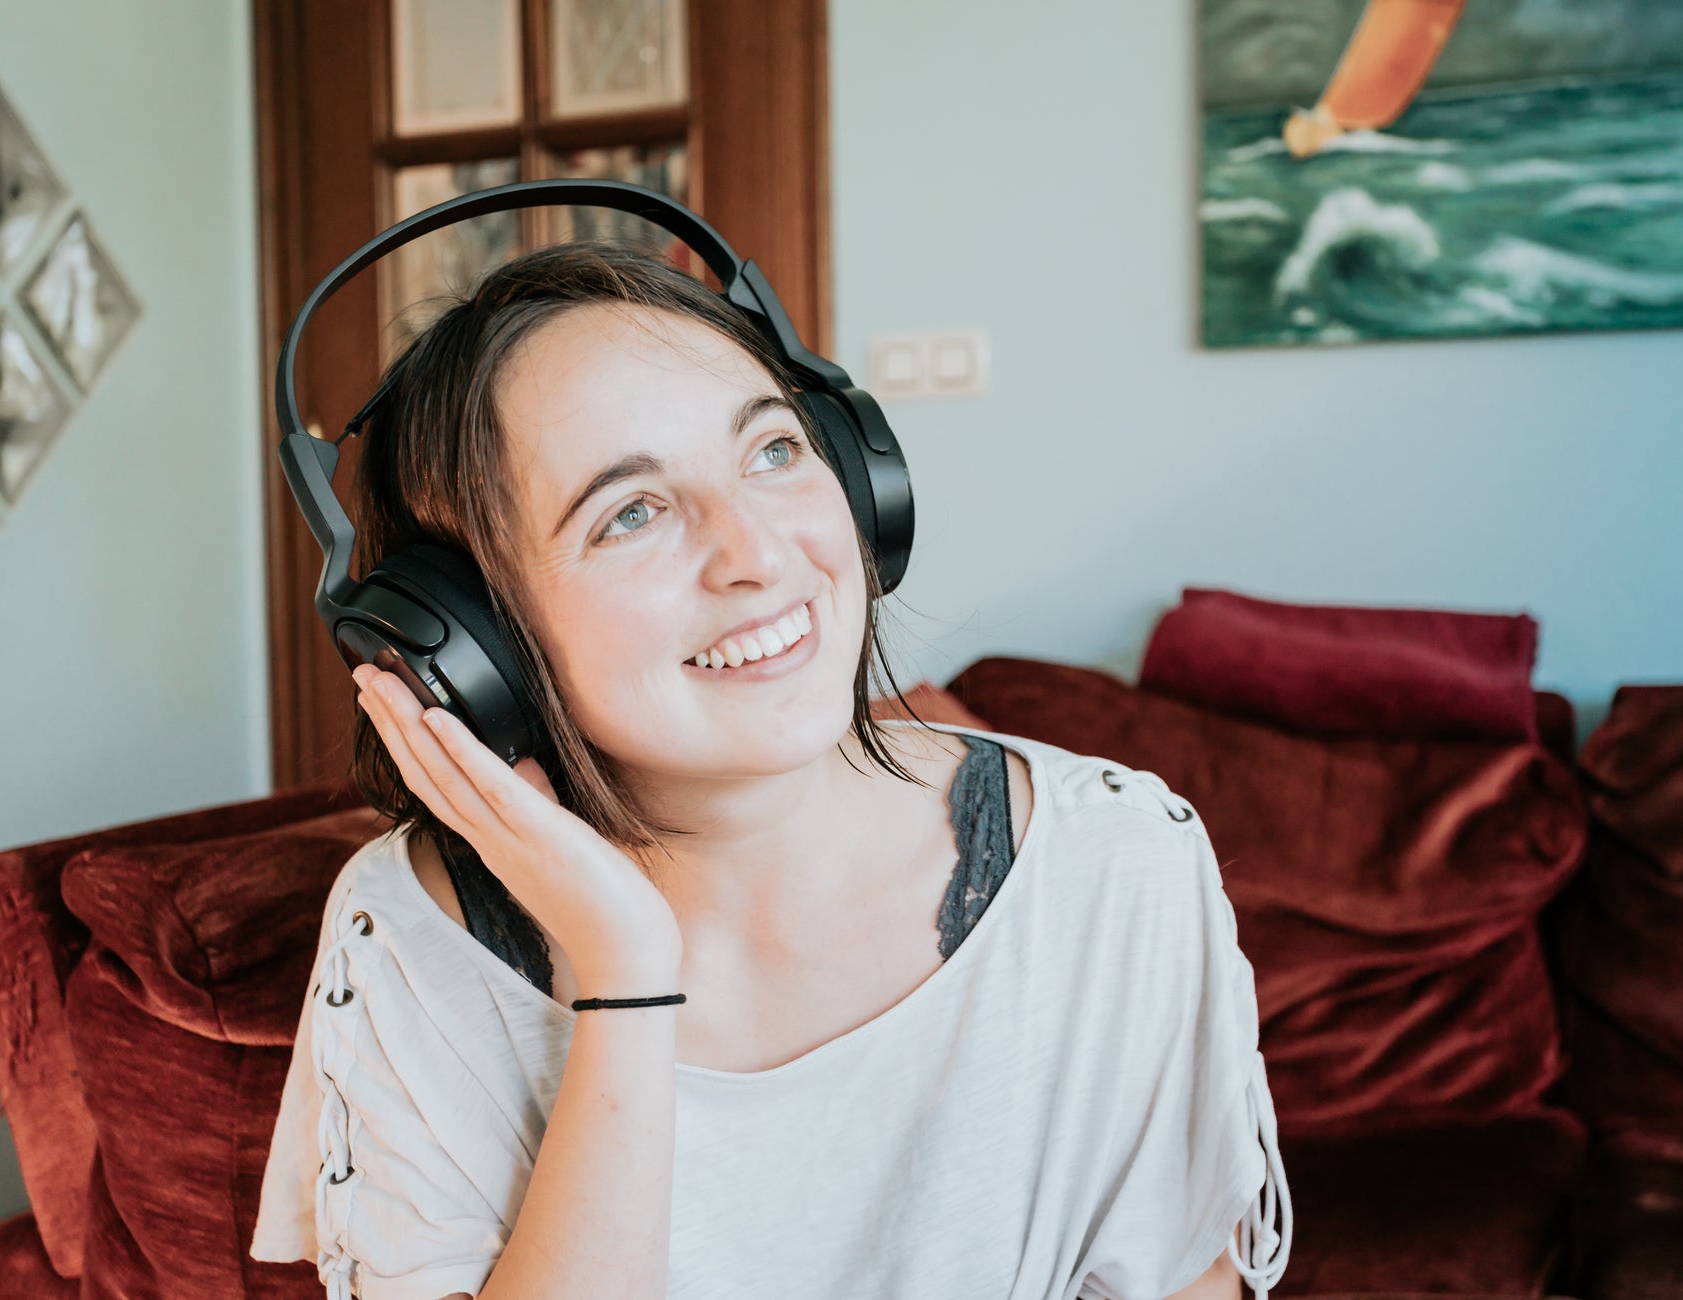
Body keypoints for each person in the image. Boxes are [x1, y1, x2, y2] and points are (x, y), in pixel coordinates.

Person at [249, 241, 1291, 1300]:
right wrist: (625, 970)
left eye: (775, 452)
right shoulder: (413, 933)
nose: (755, 551)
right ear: (469, 647)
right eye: (632, 513)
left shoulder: (1113, 865)